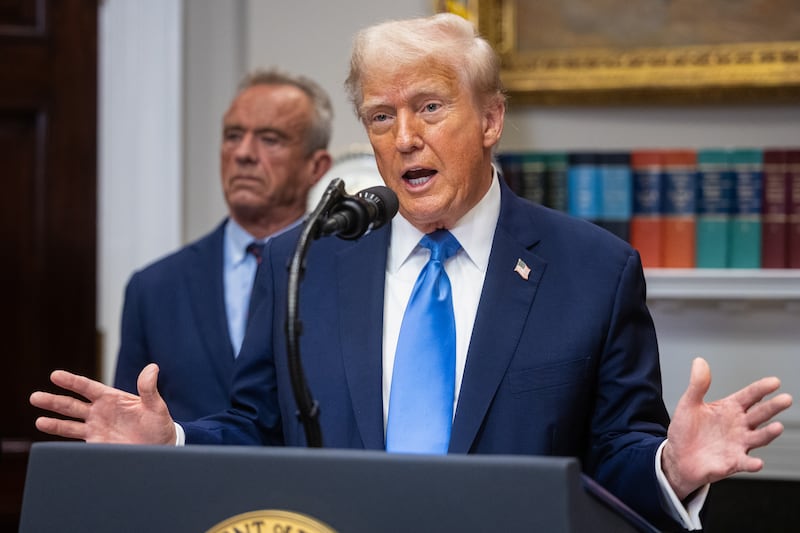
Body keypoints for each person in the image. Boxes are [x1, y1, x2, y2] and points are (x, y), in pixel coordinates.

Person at [31, 14, 791, 531]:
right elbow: (255, 427)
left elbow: (616, 456)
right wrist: (173, 446)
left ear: (490, 119)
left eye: (430, 106)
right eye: (383, 116)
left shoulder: (595, 269)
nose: (406, 138)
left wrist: (672, 465)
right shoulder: (304, 259)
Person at [112, 68, 333, 420]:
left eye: (270, 139)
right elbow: (129, 431)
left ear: (316, 167)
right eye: (232, 136)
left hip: (310, 477)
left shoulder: (346, 274)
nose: (243, 153)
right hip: (188, 476)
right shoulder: (154, 288)